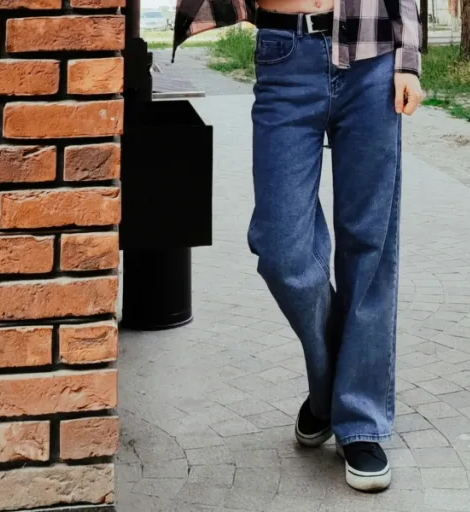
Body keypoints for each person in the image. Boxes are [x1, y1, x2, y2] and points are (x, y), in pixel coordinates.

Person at [173, 0, 424, 494]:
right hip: (285, 52)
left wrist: (408, 59)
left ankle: (360, 423)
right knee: (280, 245)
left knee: (368, 244)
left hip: (373, 59)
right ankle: (333, 388)